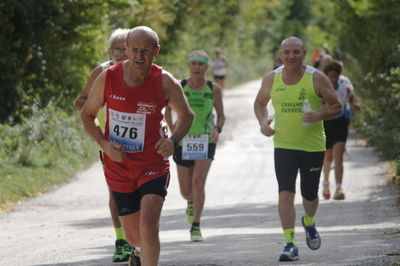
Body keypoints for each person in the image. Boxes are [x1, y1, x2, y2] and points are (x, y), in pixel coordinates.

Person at [80, 26, 194, 266]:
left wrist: (173, 141)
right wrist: (105, 145)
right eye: (134, 50)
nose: (139, 56)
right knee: (134, 236)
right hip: (118, 164)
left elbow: (187, 116)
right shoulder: (108, 77)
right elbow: (87, 115)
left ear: (156, 51)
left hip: (153, 163)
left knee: (149, 227)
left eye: (145, 51)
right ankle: (138, 251)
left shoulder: (164, 81)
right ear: (125, 50)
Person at [253, 36, 342, 262]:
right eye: (287, 52)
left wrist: (320, 115)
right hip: (284, 145)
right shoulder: (272, 78)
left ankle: (309, 222)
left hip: (312, 147)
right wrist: (263, 123)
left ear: (304, 53)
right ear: (280, 55)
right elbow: (259, 103)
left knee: (309, 195)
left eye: (296, 52)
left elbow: (337, 106)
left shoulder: (317, 78)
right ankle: (290, 243)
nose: (291, 56)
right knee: (285, 192)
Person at [74, 28, 133, 263]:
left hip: (140, 144)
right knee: (116, 193)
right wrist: (98, 104)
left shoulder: (141, 70)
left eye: (125, 48)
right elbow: (80, 102)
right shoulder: (102, 71)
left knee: (140, 193)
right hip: (111, 143)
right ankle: (122, 241)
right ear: (110, 51)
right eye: (117, 48)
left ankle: (136, 239)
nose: (121, 53)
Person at [165, 50, 225, 241]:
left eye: (201, 64)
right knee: (185, 190)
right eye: (194, 64)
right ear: (189, 66)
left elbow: (221, 115)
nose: (197, 67)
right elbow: (166, 110)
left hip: (205, 140)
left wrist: (218, 128)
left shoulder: (213, 89)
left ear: (206, 67)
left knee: (198, 183)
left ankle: (196, 225)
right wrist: (172, 129)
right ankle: (190, 202)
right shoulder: (180, 86)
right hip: (183, 139)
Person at [321, 62, 361, 200]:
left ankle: (338, 188)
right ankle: (325, 183)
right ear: (326, 76)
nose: (333, 80)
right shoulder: (320, 86)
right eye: (330, 77)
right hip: (325, 124)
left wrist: (352, 105)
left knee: (338, 157)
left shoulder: (345, 84)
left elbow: (350, 95)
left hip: (341, 123)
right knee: (328, 157)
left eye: (335, 77)